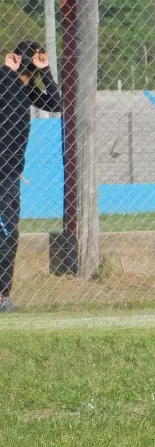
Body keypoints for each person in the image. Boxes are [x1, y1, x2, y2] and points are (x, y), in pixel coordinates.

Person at [0, 41, 60, 314]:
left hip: (10, 176)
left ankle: (2, 297)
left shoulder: (25, 90)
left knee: (10, 235)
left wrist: (45, 71)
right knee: (6, 235)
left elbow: (56, 103)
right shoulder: (4, 83)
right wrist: (5, 70)